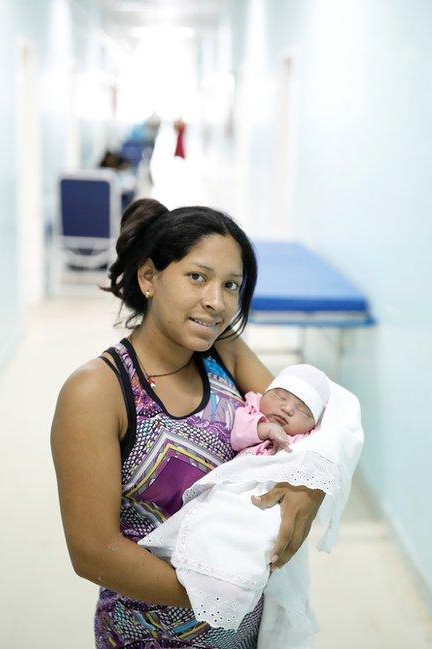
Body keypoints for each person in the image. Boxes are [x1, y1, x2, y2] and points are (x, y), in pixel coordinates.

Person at [50, 198, 327, 648]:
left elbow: (306, 426)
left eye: (232, 285)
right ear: (149, 278)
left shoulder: (224, 353)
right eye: (197, 277)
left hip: (244, 629)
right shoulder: (98, 392)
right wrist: (220, 592)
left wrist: (308, 488)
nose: (216, 302)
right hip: (151, 633)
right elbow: (92, 552)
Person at [137, 365, 364, 648]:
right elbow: (239, 434)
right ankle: (206, 564)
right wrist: (267, 429)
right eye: (281, 396)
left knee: (262, 540)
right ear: (265, 394)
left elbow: (323, 455)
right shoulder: (253, 412)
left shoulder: (308, 440)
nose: (288, 409)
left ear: (312, 424)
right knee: (217, 520)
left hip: (269, 497)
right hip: (239, 486)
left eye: (302, 410)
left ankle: (240, 578)